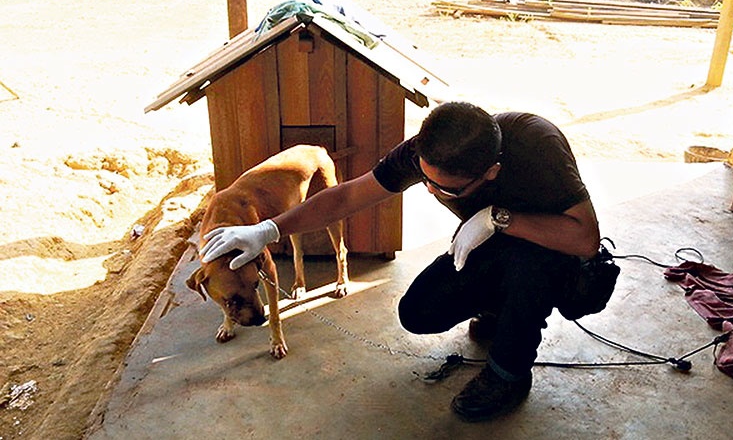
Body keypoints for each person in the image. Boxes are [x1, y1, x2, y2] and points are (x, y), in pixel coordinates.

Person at [200, 101, 600, 422]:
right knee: (419, 312)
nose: (429, 189)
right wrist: (268, 230)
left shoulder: (537, 145)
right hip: (495, 245)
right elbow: (347, 197)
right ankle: (498, 309)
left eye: (442, 188)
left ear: (491, 172)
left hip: (552, 252)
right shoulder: (433, 148)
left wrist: (499, 218)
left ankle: (508, 373)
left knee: (530, 268)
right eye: (424, 178)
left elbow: (584, 239)